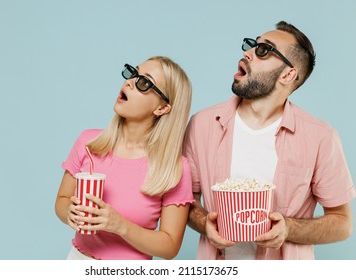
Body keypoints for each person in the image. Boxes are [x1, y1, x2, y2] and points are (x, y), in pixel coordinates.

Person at [183, 21, 355, 260]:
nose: (248, 52)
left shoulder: (321, 138)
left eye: (264, 50)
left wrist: (289, 229)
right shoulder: (202, 125)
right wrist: (204, 223)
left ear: (288, 74)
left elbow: (343, 223)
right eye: (253, 45)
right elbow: (185, 200)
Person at [55, 56, 194, 260]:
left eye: (144, 83)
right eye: (133, 73)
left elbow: (170, 247)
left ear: (162, 108)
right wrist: (70, 213)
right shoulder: (89, 142)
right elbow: (61, 200)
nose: (129, 82)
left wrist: (119, 225)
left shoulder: (175, 168)